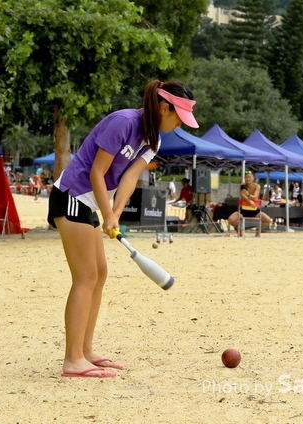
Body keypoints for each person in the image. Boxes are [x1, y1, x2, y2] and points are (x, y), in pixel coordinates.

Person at [47, 79, 198, 378]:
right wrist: (107, 214)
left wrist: (115, 213)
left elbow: (129, 178)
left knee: (100, 272)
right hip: (72, 195)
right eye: (179, 117)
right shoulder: (123, 123)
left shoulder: (153, 140)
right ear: (164, 108)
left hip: (90, 203)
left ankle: (86, 350)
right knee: (86, 276)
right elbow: (97, 171)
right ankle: (73, 359)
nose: (180, 124)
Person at [227, 171, 271, 236]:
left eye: (249, 177)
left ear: (253, 178)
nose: (248, 179)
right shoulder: (242, 186)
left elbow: (255, 197)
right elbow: (242, 196)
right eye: (246, 177)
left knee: (268, 220)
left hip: (255, 211)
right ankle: (239, 229)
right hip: (243, 211)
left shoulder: (257, 186)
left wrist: (248, 194)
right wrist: (250, 201)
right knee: (230, 219)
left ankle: (258, 230)